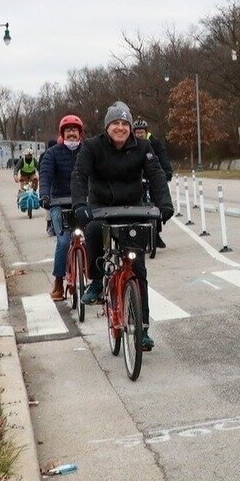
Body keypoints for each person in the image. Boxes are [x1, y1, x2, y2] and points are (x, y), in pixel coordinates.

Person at [72, 102, 174, 351]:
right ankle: (96, 281)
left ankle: (143, 330)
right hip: (101, 209)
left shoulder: (143, 147)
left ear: (130, 127)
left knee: (138, 269)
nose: (120, 127)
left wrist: (165, 204)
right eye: (115, 123)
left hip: (133, 209)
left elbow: (157, 175)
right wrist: (79, 204)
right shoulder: (92, 147)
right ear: (107, 126)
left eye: (124, 123)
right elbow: (79, 175)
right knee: (94, 231)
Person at [39, 114, 86, 300]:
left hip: (83, 201)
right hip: (59, 202)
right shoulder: (53, 154)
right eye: (68, 130)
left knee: (91, 237)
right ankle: (59, 282)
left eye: (75, 130)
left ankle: (93, 279)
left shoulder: (88, 151)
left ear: (80, 133)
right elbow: (45, 175)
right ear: (63, 133)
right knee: (64, 241)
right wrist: (44, 195)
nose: (72, 133)